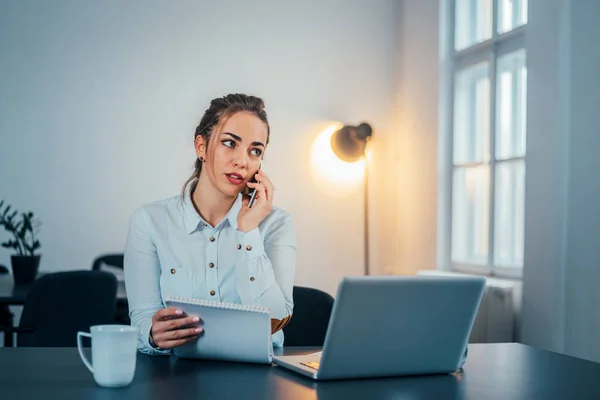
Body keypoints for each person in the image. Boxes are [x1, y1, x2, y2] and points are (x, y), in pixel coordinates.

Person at [124, 93, 296, 355]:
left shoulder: (276, 223)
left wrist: (248, 231)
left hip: (259, 379)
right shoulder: (149, 221)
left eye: (255, 151)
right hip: (177, 377)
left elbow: (275, 319)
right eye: (230, 143)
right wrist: (152, 334)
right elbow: (142, 318)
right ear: (201, 146)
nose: (242, 160)